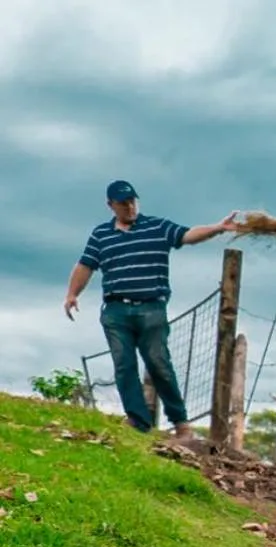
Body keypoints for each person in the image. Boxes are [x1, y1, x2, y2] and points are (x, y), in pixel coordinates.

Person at [63, 180, 241, 437]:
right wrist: (72, 294)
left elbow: (188, 235)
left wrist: (218, 228)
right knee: (124, 365)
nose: (130, 207)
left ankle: (180, 423)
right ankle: (138, 420)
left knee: (158, 363)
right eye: (123, 203)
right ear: (110, 205)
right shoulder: (100, 234)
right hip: (116, 310)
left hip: (151, 309)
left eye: (133, 201)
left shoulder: (157, 227)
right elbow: (85, 265)